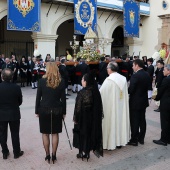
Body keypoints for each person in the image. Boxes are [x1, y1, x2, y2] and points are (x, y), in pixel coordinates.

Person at [35, 62, 66, 164]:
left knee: (45, 133)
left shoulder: (41, 81)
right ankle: (54, 155)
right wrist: (64, 112)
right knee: (55, 133)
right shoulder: (61, 81)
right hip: (57, 110)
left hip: (44, 109)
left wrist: (36, 111)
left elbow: (38, 98)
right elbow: (63, 99)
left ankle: (47, 155)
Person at [100, 62, 130, 150]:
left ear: (110, 69)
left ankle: (111, 142)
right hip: (121, 106)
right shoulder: (123, 79)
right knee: (120, 121)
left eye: (107, 68)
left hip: (111, 106)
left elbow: (101, 93)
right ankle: (119, 142)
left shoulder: (109, 80)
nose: (107, 70)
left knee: (111, 122)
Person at [73, 73, 103, 161]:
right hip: (92, 118)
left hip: (82, 118)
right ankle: (87, 153)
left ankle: (81, 151)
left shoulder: (82, 92)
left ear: (86, 81)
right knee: (89, 134)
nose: (81, 81)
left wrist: (76, 118)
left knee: (81, 134)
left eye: (83, 79)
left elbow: (77, 108)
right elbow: (99, 107)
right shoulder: (95, 92)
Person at [0, 68, 24, 159]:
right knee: (15, 133)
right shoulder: (16, 87)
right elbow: (20, 101)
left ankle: (5, 152)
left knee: (2, 134)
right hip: (14, 113)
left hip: (1, 114)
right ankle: (16, 152)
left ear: (1, 76)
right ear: (12, 77)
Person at [128, 59, 150, 146]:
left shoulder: (135, 76)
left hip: (135, 102)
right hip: (143, 100)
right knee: (142, 120)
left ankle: (134, 139)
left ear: (137, 65)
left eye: (133, 65)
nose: (132, 67)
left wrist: (127, 90)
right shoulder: (147, 74)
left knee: (134, 121)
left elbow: (131, 89)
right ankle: (141, 138)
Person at [153, 64, 170, 146]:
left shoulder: (166, 80)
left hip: (166, 103)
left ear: (168, 71)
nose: (163, 71)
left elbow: (161, 91)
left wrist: (156, 98)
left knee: (164, 122)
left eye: (164, 70)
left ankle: (163, 140)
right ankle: (168, 138)